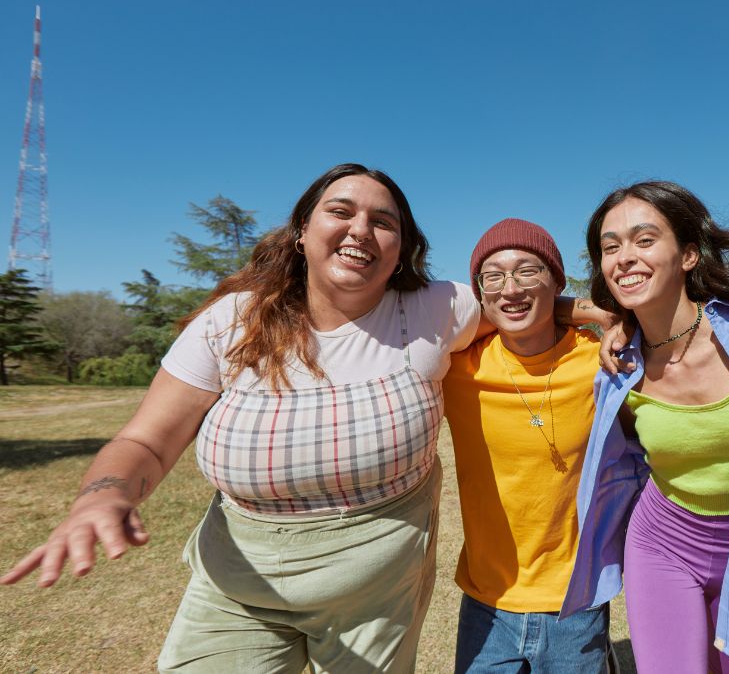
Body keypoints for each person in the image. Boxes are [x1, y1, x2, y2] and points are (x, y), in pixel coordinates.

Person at [4, 163, 484, 673]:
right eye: (340, 212)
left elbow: (528, 301)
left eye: (383, 222)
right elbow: (147, 440)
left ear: (402, 248)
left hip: (377, 599)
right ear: (302, 232)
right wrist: (103, 495)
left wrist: (582, 311)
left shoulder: (437, 309)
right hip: (237, 589)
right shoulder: (231, 321)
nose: (361, 230)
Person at [562, 181, 729, 673]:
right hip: (662, 540)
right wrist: (610, 317)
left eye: (644, 239)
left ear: (690, 254)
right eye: (610, 248)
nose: (624, 258)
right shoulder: (619, 368)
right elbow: (531, 301)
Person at [443, 218, 614, 673]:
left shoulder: (600, 361)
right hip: (487, 601)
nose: (510, 288)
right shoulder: (457, 369)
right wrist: (585, 308)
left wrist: (599, 316)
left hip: (577, 600)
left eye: (527, 271)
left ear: (556, 280)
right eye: (492, 276)